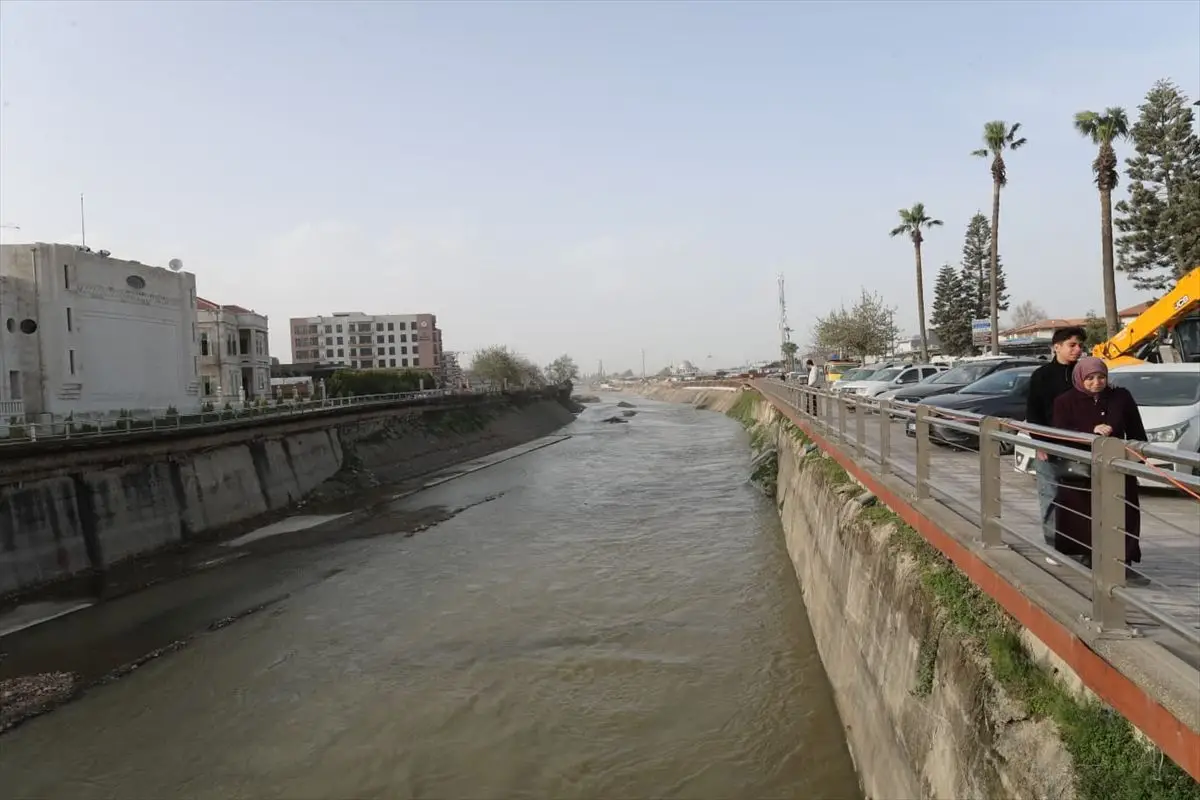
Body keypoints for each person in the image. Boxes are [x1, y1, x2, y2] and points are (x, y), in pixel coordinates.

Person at [1051, 357, 1149, 586]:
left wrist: (1139, 456)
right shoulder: (1065, 401)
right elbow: (1059, 432)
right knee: (1083, 512)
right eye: (1090, 378)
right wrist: (1090, 430)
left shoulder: (1120, 396)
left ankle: (1123, 562)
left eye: (1101, 377)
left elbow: (1136, 429)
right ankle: (1088, 556)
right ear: (1079, 378)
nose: (1097, 382)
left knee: (1124, 512)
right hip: (1082, 469)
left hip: (1117, 465)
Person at [1025, 326, 1086, 560]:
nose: (1077, 350)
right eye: (1072, 345)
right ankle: (1054, 547)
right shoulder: (1042, 376)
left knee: (1081, 500)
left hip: (1080, 448)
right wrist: (1040, 443)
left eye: (1080, 345)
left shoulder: (1084, 374)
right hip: (1049, 447)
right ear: (1056, 347)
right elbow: (1034, 413)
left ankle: (1082, 548)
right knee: (1050, 497)